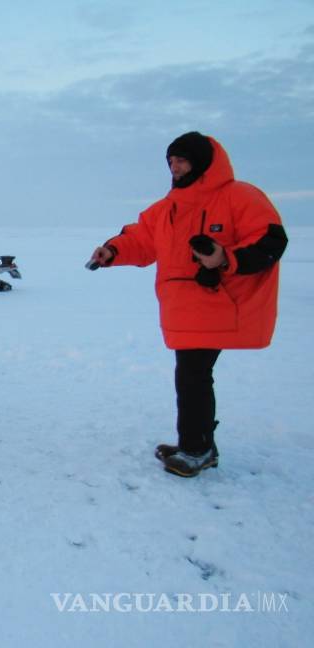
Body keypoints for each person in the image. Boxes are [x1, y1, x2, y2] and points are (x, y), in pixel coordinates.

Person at [88, 131, 288, 477]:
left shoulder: (240, 196)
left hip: (217, 305)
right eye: (171, 161)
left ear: (203, 162)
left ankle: (197, 449)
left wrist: (226, 258)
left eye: (181, 160)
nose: (175, 167)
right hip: (183, 308)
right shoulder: (168, 208)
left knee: (193, 375)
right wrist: (113, 251)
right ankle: (196, 444)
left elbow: (270, 241)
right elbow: (141, 238)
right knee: (193, 375)